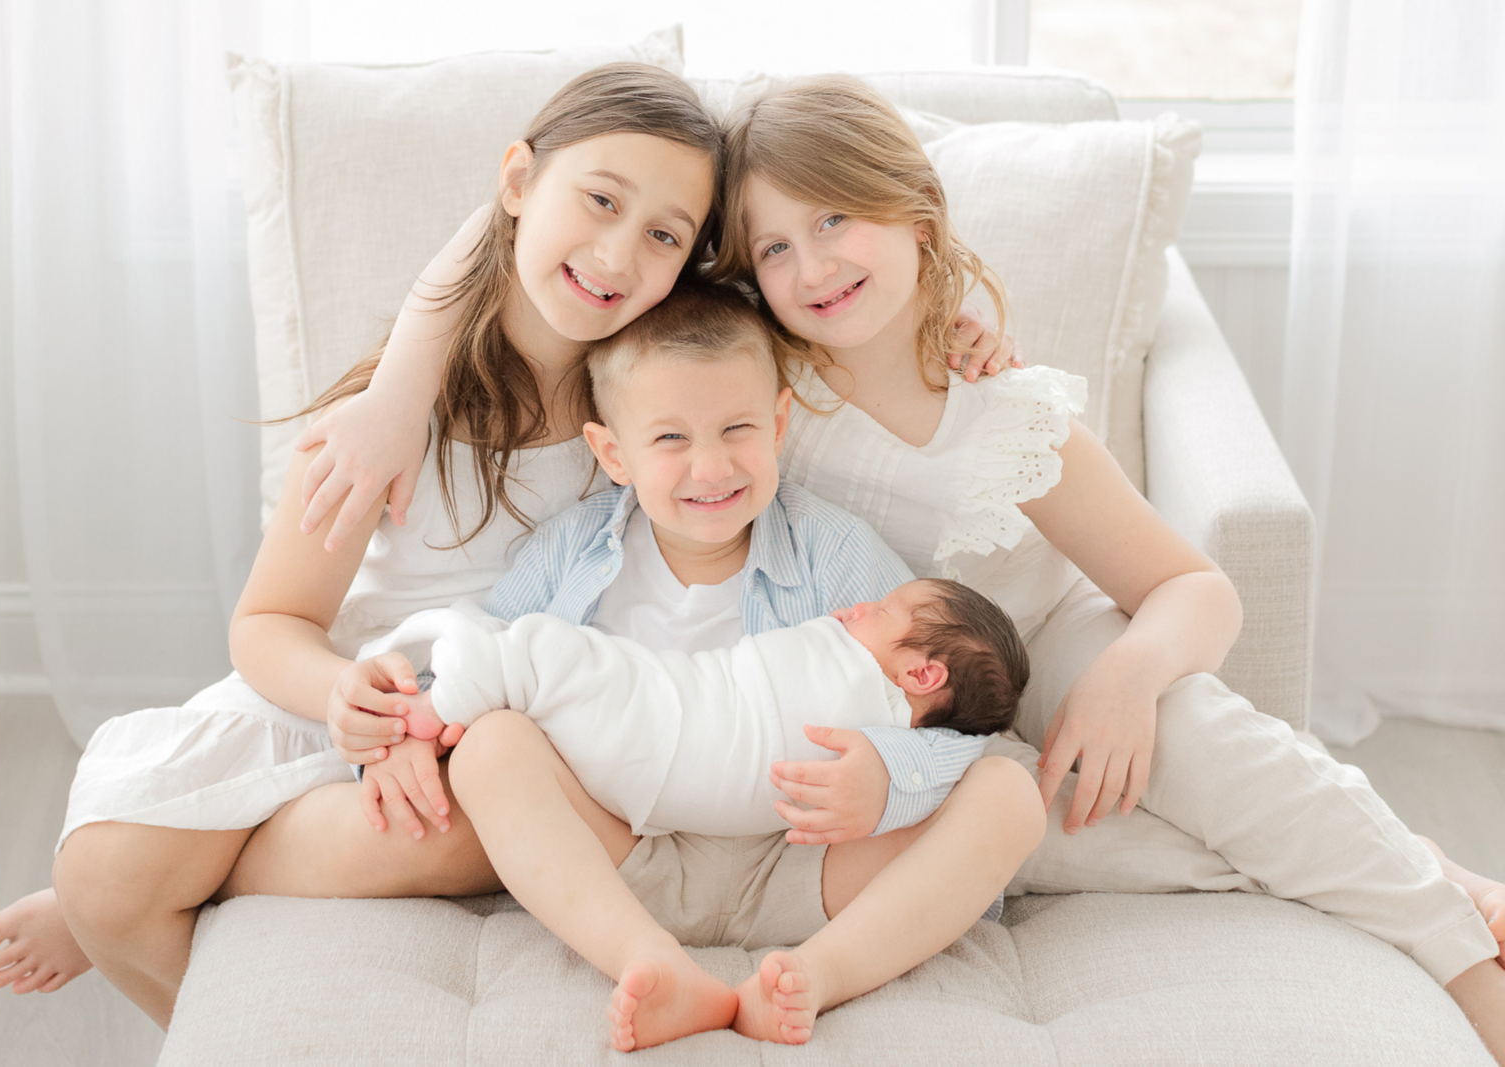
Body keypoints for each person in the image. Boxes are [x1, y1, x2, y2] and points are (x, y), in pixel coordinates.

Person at [283, 73, 1505, 1059]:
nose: (809, 269)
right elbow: (535, 212)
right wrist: (400, 386)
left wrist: (1129, 672)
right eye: (771, 248)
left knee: (1198, 753)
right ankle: (1400, 859)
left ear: (916, 211)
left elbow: (1194, 588)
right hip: (878, 700)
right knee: (1084, 825)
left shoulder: (1001, 401)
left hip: (1029, 656)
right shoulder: (768, 377)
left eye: (836, 223)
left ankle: (1446, 932)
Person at [0, 63, 727, 1027]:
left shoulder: (657, 404)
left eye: (663, 235)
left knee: (449, 829)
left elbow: (808, 291)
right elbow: (269, 621)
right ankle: (112, 897)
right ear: (518, 181)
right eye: (600, 201)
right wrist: (344, 700)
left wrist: (952, 318)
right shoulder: (389, 416)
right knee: (104, 868)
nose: (619, 255)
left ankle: (156, 887)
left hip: (488, 736)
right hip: (344, 698)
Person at [414, 281, 1042, 1048]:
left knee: (1009, 792)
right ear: (614, 452)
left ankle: (820, 972)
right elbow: (474, 658)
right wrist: (407, 733)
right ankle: (647, 959)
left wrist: (888, 771)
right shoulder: (572, 553)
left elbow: (956, 702)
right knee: (491, 744)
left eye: (737, 428)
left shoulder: (833, 554)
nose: (710, 467)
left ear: (779, 422)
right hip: (623, 853)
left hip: (803, 860)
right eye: (670, 439)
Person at [360, 576, 1026, 839]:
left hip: (671, 740)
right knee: (578, 669)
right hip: (674, 743)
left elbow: (975, 750)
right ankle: (459, 679)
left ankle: (445, 696)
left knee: (556, 657)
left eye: (879, 610)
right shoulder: (882, 711)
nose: (854, 607)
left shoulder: (876, 708)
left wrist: (890, 777)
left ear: (923, 672)